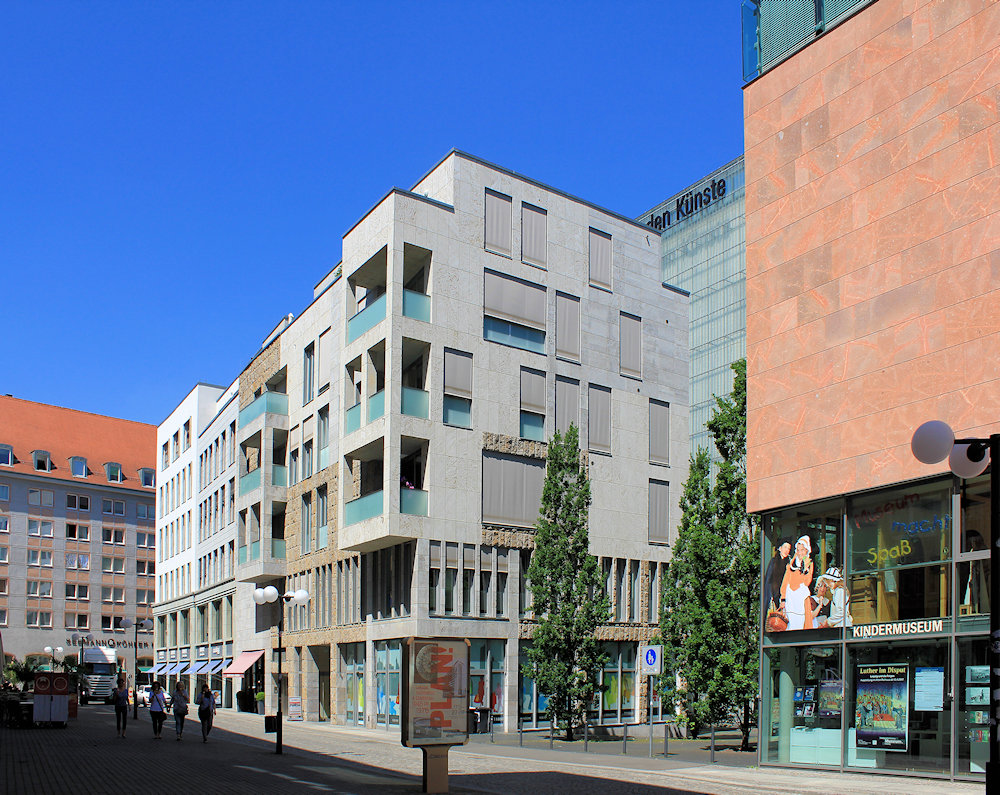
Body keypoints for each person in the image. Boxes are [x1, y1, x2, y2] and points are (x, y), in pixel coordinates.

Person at [780, 535, 814, 630]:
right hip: (790, 596)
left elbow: (807, 582)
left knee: (800, 623)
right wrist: (783, 598)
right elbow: (785, 581)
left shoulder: (809, 563)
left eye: (802, 550)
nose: (800, 553)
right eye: (798, 550)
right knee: (790, 623)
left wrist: (805, 568)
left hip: (801, 597)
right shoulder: (792, 563)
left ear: (807, 550)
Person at [764, 538, 792, 609]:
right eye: (785, 547)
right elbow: (768, 580)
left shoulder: (789, 563)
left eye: (788, 548)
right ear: (780, 548)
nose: (787, 550)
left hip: (785, 595)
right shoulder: (773, 562)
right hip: (774, 594)